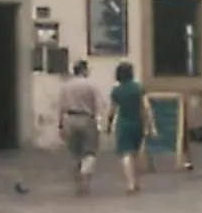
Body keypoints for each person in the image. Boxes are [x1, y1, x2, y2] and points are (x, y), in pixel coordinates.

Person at [109, 61, 156, 195]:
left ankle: (130, 183)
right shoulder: (138, 88)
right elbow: (146, 108)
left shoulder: (116, 90)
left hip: (123, 123)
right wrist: (151, 125)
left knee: (126, 153)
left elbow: (112, 110)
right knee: (136, 153)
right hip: (137, 122)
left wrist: (108, 124)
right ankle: (137, 181)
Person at [57, 60, 102, 195]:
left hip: (70, 119)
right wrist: (98, 121)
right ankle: (86, 178)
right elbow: (97, 105)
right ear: (84, 70)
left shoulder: (66, 86)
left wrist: (60, 124)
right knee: (89, 152)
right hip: (87, 118)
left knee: (74, 153)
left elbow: (61, 106)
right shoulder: (91, 85)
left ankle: (78, 185)